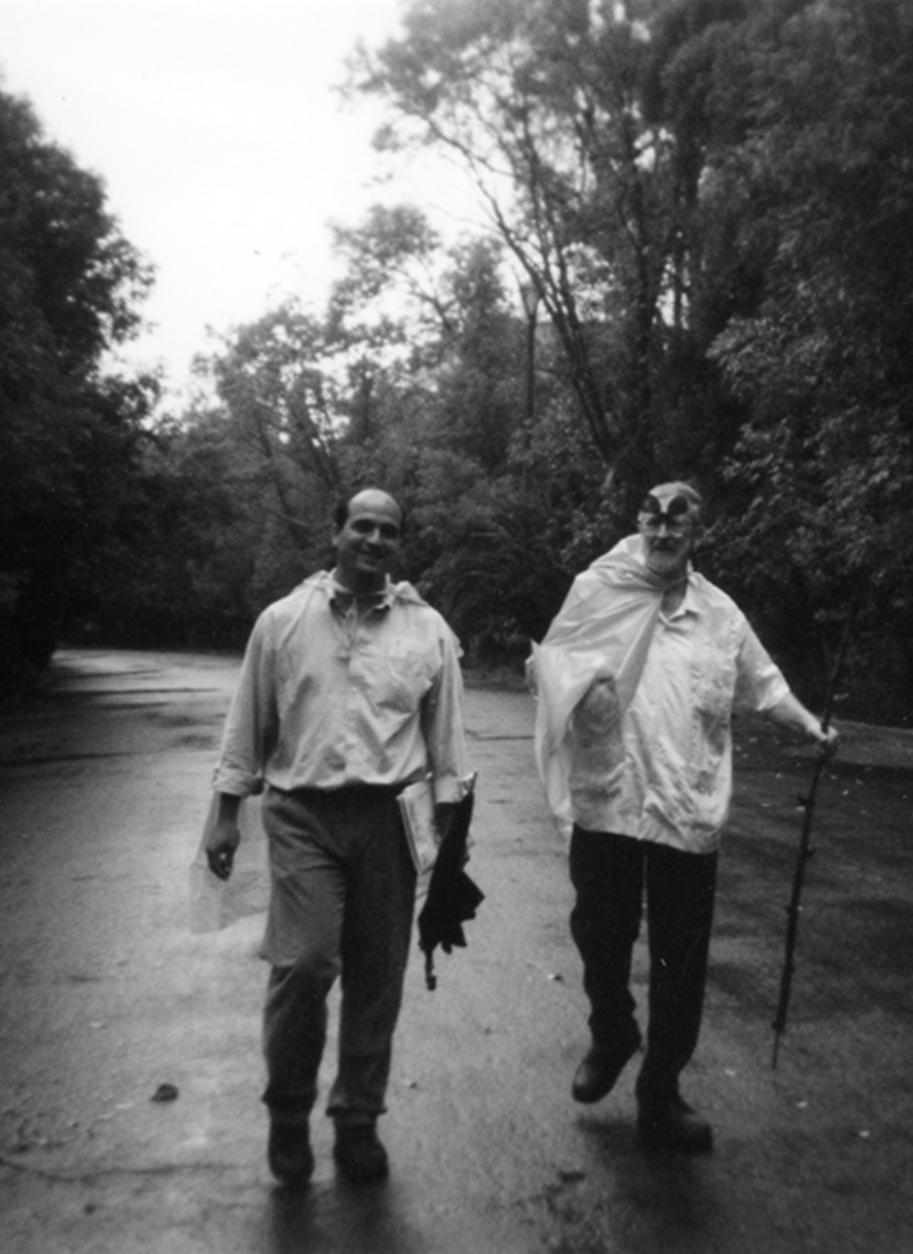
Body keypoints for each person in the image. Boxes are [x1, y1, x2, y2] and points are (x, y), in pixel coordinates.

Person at [530, 482, 838, 1154]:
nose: (664, 533)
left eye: (678, 523)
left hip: (686, 809)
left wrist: (810, 726)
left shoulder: (721, 615)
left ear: (698, 533)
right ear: (639, 524)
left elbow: (766, 686)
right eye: (653, 520)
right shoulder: (596, 591)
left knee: (681, 961)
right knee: (599, 939)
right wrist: (562, 686)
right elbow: (551, 664)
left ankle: (661, 1092)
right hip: (608, 801)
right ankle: (613, 1033)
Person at [205, 488, 471, 1188]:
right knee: (304, 964)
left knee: (377, 976)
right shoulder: (283, 621)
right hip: (304, 816)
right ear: (336, 533)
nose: (375, 540)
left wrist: (450, 835)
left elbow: (447, 739)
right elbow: (247, 722)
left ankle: (358, 1119)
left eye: (388, 530)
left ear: (399, 542)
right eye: (362, 526)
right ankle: (289, 1113)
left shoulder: (427, 629)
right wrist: (225, 810)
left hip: (391, 820)